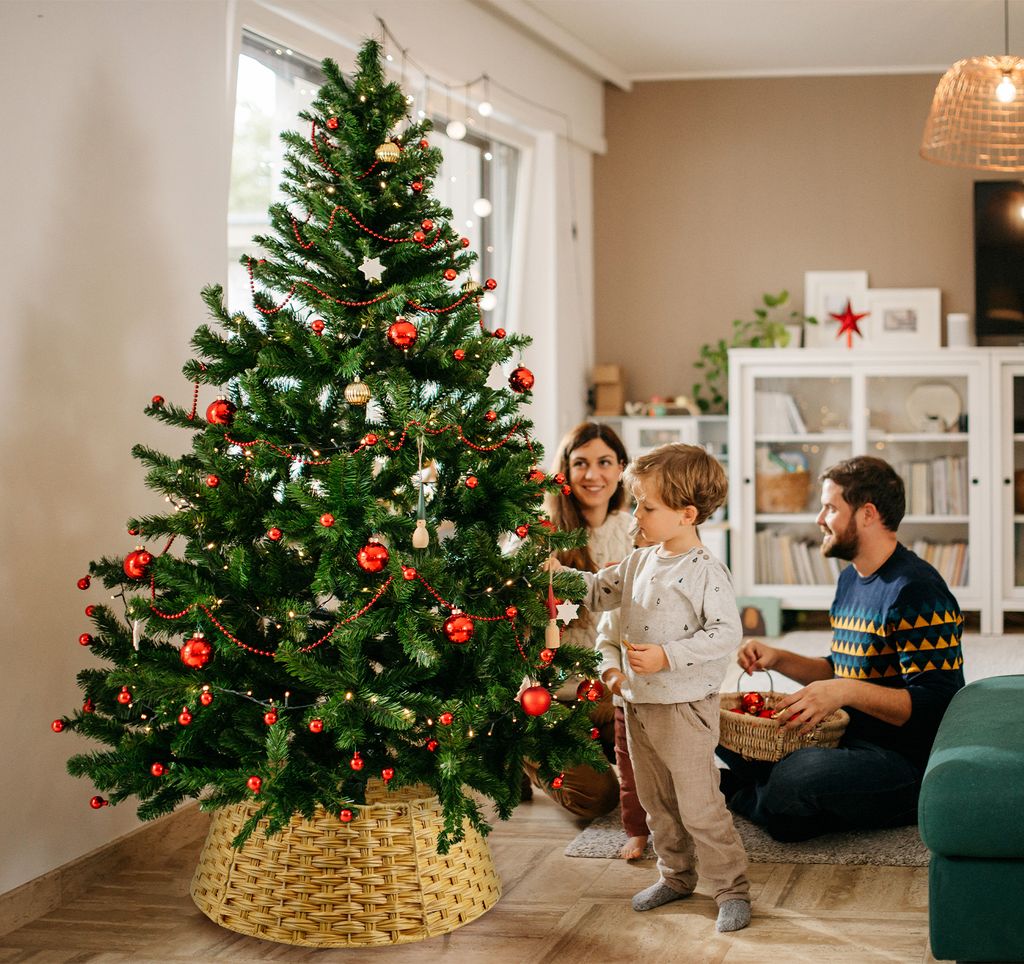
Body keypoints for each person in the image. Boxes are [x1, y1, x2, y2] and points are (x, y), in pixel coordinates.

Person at [549, 442, 751, 933]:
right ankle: (677, 876)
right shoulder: (640, 561)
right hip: (638, 705)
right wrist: (558, 576)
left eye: (647, 506)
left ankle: (732, 889)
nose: (636, 512)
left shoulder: (705, 571)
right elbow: (599, 591)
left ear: (687, 514)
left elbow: (726, 633)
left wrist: (668, 656)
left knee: (699, 806)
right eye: (636, 501)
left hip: (684, 708)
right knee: (656, 802)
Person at [717, 455, 965, 842]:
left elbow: (938, 705)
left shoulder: (916, 589)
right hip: (845, 738)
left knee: (796, 777)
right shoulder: (851, 579)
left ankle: (741, 793)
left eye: (831, 507)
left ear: (867, 514)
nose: (819, 519)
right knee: (719, 725)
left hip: (903, 763)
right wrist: (779, 658)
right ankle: (770, 796)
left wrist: (845, 691)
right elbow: (846, 667)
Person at [521, 423, 638, 828]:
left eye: (605, 462)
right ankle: (522, 756)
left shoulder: (635, 533)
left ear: (621, 468)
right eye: (580, 464)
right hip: (549, 698)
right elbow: (500, 595)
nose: (593, 475)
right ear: (565, 472)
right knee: (596, 797)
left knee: (662, 777)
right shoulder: (540, 532)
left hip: (610, 694)